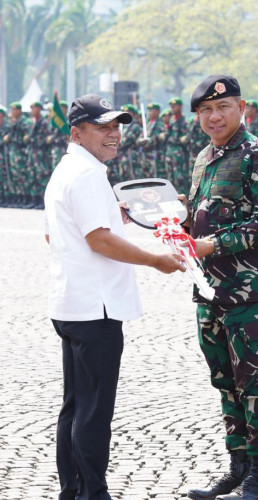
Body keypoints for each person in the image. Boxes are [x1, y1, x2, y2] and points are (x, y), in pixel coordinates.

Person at [44, 93, 184, 500]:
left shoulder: (68, 169)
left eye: (116, 126)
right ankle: (93, 493)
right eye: (102, 126)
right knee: (93, 410)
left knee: (75, 405)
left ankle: (72, 489)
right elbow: (98, 240)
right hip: (95, 308)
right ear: (77, 132)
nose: (114, 134)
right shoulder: (88, 175)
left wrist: (111, 215)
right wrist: (156, 259)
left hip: (73, 303)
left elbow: (58, 233)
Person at [182, 75, 258, 500]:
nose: (213, 116)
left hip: (249, 292)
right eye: (205, 110)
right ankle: (238, 466)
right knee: (224, 381)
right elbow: (197, 214)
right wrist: (171, 225)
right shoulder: (204, 157)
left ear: (241, 108)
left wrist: (211, 243)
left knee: (253, 381)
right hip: (208, 289)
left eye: (221, 108)